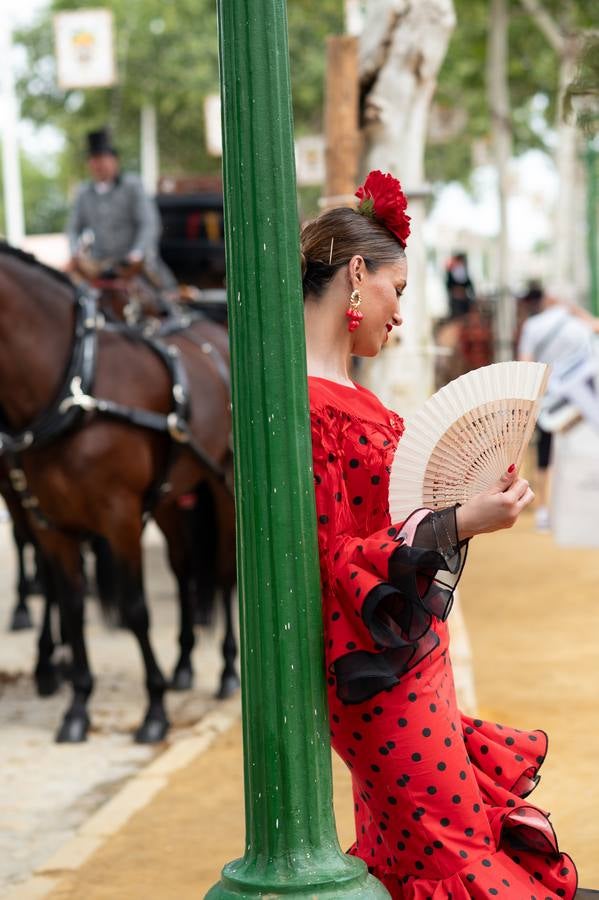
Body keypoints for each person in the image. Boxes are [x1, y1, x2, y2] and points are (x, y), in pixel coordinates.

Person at [302, 170, 578, 898]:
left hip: (407, 655)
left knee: (428, 846)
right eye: (396, 289)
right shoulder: (303, 406)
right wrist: (458, 521)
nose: (399, 315)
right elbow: (329, 559)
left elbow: (397, 532)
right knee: (448, 846)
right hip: (372, 670)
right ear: (355, 275)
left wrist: (468, 511)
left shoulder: (352, 397)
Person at [518, 283, 599, 532]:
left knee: (545, 455)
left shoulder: (533, 326)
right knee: (578, 452)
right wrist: (576, 311)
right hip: (578, 401)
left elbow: (525, 363)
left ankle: (544, 511)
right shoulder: (580, 325)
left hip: (549, 401)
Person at [66, 128, 176, 289]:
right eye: (94, 160)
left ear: (114, 161)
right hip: (99, 264)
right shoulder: (84, 193)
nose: (99, 165)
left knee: (159, 298)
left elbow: (149, 224)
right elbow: (73, 228)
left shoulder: (133, 186)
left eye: (103, 159)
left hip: (133, 263)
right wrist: (75, 252)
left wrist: (137, 253)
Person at [445, 251, 476, 320]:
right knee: (456, 318)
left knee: (465, 318)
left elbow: (470, 285)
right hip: (455, 300)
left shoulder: (465, 272)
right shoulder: (450, 272)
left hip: (464, 299)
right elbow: (448, 286)